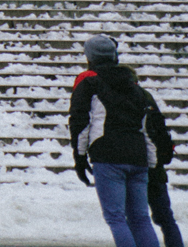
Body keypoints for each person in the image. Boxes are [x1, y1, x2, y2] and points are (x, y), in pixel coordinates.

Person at [71, 34, 173, 247]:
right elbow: (146, 128)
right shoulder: (134, 86)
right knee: (141, 219)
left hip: (107, 154)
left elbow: (81, 123)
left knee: (116, 218)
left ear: (89, 57)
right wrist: (152, 163)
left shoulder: (89, 81)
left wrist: (79, 157)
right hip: (137, 156)